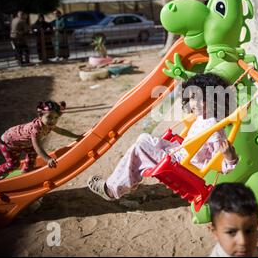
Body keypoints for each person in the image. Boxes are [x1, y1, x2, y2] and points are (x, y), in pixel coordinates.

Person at [87, 73, 239, 201]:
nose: (195, 103)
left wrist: (229, 158)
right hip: (178, 152)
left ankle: (111, 189)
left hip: (182, 165)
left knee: (140, 147)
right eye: (192, 98)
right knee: (144, 139)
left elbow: (218, 161)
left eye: (201, 99)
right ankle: (129, 180)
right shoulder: (204, 117)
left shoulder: (214, 128)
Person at [0, 101, 83, 184]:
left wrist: (77, 136)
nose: (52, 120)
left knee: (32, 156)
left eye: (56, 118)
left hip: (24, 143)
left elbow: (61, 131)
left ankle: (25, 174)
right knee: (13, 164)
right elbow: (37, 146)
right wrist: (48, 159)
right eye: (49, 117)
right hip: (9, 143)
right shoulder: (36, 129)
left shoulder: (49, 125)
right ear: (40, 116)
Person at [208, 183, 258, 257]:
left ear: (257, 225)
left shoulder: (246, 249)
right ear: (215, 232)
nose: (243, 241)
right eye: (231, 232)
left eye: (249, 231)